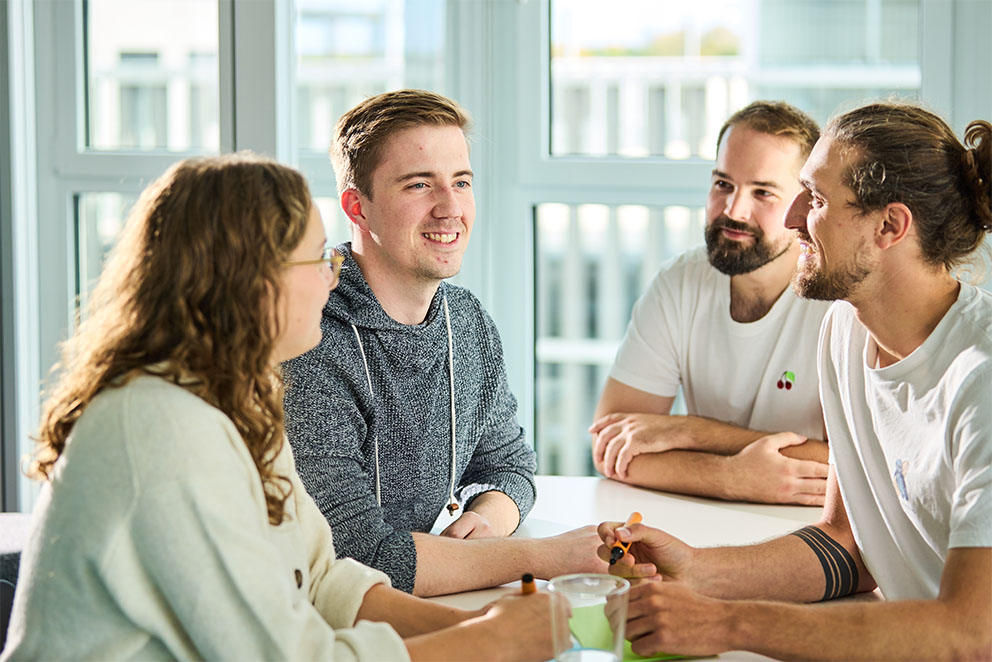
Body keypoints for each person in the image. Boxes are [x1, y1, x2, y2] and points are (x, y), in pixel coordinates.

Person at [1, 153, 558, 661]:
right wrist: (489, 642)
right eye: (318, 260)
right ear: (248, 280)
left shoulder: (236, 400)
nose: (332, 279)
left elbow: (320, 581)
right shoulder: (158, 426)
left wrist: (481, 626)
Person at [597, 104, 992, 660]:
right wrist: (699, 569)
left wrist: (727, 624)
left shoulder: (980, 379)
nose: (792, 217)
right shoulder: (845, 331)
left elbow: (971, 633)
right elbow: (847, 546)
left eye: (817, 199)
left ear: (890, 226)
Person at [282, 89, 601, 597]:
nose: (451, 208)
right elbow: (355, 557)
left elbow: (509, 466)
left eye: (461, 182)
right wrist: (541, 557)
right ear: (357, 207)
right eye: (419, 185)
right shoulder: (309, 336)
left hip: (419, 602)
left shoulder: (467, 320)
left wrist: (488, 520)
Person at [590, 101, 831, 505]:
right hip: (702, 523)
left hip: (812, 530)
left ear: (805, 204)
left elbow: (852, 467)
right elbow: (610, 447)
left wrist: (688, 431)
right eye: (723, 184)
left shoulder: (838, 300)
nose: (734, 210)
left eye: (763, 192)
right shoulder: (680, 282)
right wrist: (732, 477)